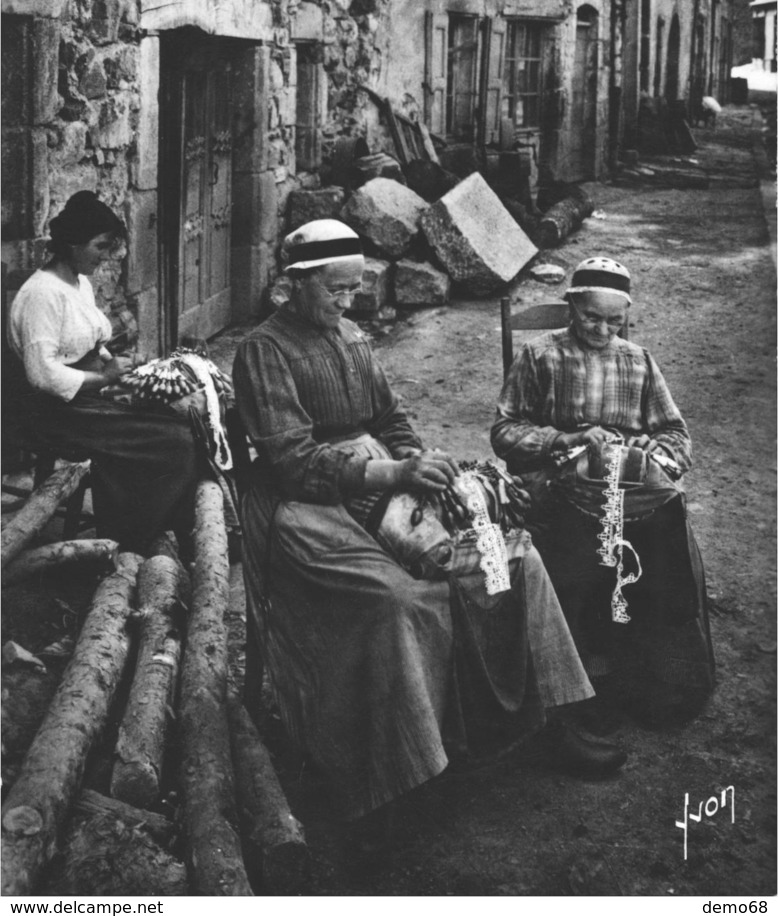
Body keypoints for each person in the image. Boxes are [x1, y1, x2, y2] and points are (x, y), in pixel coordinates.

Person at [233, 220, 628, 840]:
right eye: (336, 290)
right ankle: (408, 768)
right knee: (399, 602)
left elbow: (392, 416)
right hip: (307, 514)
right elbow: (290, 461)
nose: (347, 302)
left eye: (353, 290)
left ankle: (549, 717)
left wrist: (421, 469)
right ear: (296, 283)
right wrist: (391, 472)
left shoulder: (353, 336)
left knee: (508, 558)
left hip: (386, 489)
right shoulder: (265, 349)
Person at [491, 256, 715, 727]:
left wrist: (652, 448)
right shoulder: (541, 355)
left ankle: (650, 664)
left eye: (616, 321)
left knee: (662, 522)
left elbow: (677, 436)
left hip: (625, 481)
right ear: (571, 307)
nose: (602, 329)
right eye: (592, 317)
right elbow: (506, 431)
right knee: (582, 540)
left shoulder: (637, 361)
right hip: (556, 474)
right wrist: (565, 439)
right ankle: (581, 674)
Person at [7, 191, 199, 552]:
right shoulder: (42, 295)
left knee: (177, 418)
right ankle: (132, 540)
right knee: (174, 442)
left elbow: (90, 341)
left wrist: (123, 367)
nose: (106, 256)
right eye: (100, 246)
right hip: (53, 411)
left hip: (86, 396)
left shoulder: (79, 283)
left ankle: (152, 529)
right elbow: (42, 375)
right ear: (73, 244)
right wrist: (106, 379)